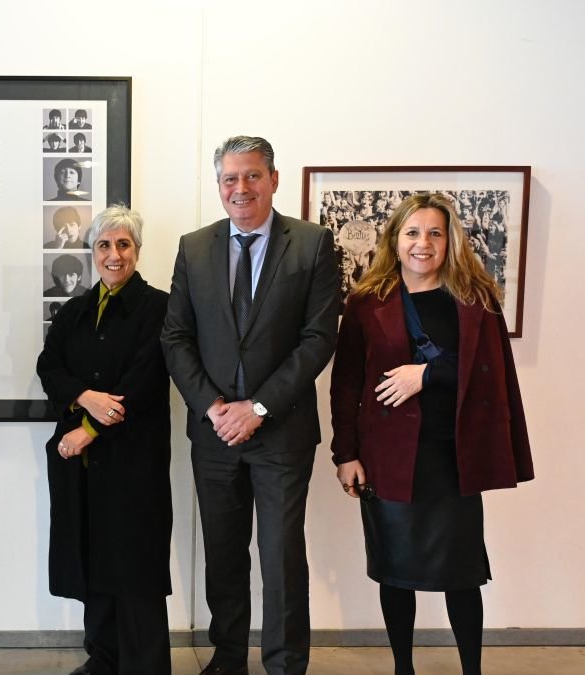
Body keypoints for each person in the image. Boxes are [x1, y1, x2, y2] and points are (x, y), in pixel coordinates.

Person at [329, 192, 533, 675]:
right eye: (413, 232)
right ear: (395, 240)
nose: (424, 243)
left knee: (462, 574)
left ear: (450, 241)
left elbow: (492, 369)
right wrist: (346, 454)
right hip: (389, 456)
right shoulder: (365, 303)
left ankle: (472, 670)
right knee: (395, 572)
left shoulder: (476, 298)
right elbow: (346, 385)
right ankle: (404, 668)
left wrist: (426, 374)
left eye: (435, 233)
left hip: (452, 457)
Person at [160, 135, 339, 675]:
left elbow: (318, 338)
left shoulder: (311, 244)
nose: (241, 188)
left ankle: (285, 664)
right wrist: (214, 407)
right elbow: (175, 336)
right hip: (213, 434)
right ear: (219, 187)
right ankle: (229, 657)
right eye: (230, 179)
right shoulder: (194, 248)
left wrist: (257, 407)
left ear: (274, 180)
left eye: (252, 176)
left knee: (281, 558)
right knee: (224, 553)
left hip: (281, 434)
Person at [36, 205, 172, 675]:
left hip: (134, 459)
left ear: (136, 250)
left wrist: (89, 428)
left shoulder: (159, 306)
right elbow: (49, 367)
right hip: (83, 466)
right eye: (104, 245)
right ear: (91, 251)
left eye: (123, 244)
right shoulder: (73, 312)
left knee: (136, 566)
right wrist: (85, 396)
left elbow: (146, 377)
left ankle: (145, 665)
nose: (113, 255)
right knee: (93, 562)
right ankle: (104, 658)